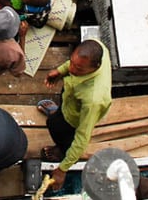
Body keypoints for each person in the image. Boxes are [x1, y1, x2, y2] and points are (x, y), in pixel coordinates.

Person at [38, 39, 113, 191]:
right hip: (71, 95)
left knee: (57, 128)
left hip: (73, 120)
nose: (72, 69)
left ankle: (61, 151)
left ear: (95, 67)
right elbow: (74, 65)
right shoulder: (99, 48)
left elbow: (82, 137)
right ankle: (57, 111)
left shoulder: (93, 99)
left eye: (78, 68)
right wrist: (61, 70)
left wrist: (62, 169)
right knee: (58, 113)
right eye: (71, 62)